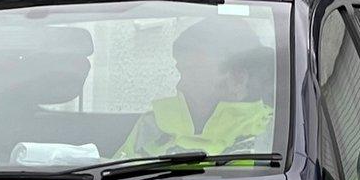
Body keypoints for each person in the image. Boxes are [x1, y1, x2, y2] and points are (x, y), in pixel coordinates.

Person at [115, 18, 275, 159]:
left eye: (192, 71)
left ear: (238, 79)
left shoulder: (272, 130)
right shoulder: (153, 123)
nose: (180, 85)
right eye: (181, 72)